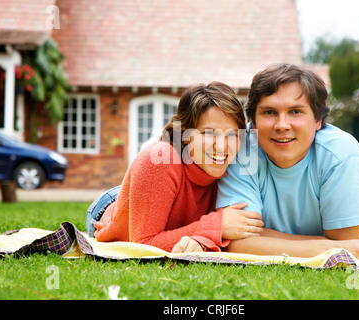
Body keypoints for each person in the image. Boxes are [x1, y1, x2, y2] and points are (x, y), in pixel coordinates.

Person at [215, 63, 359, 260]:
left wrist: (264, 241)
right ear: (252, 122)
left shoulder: (343, 156)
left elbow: (347, 242)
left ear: (318, 120)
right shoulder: (240, 150)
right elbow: (237, 241)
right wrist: (327, 247)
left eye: (296, 111)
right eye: (269, 112)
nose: (282, 125)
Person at [85, 82, 264, 253]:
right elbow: (143, 245)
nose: (222, 147)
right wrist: (217, 225)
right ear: (184, 134)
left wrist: (204, 238)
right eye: (209, 133)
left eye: (231, 134)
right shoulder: (160, 160)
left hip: (165, 198)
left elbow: (230, 231)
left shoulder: (236, 160)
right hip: (112, 212)